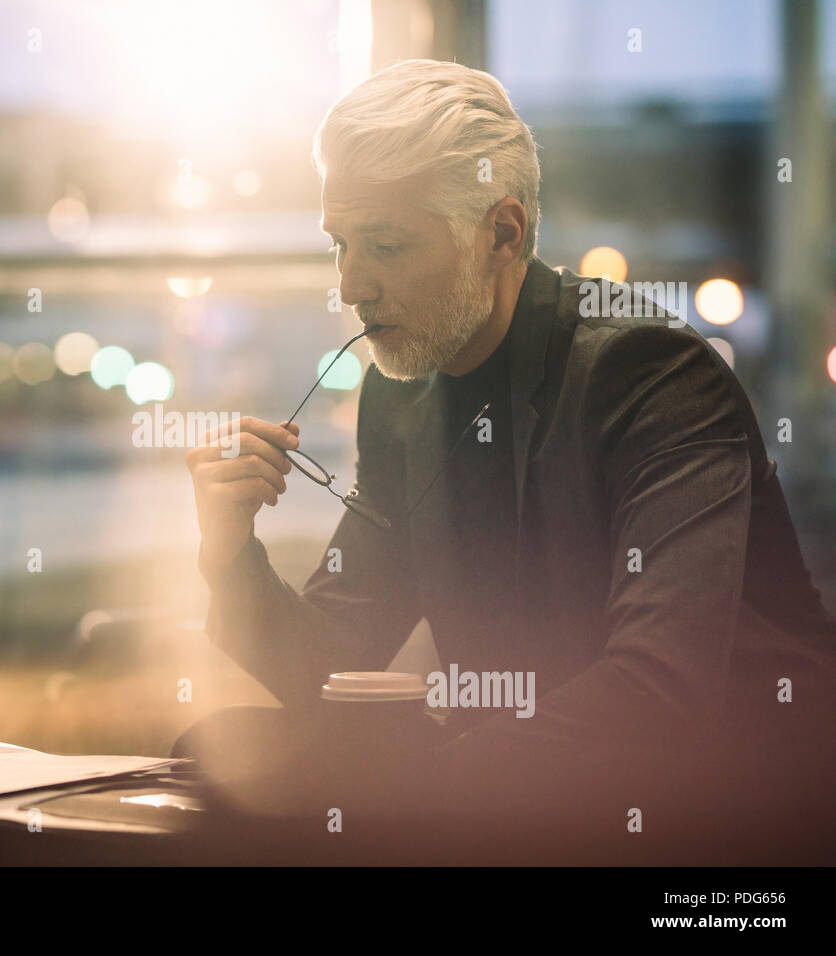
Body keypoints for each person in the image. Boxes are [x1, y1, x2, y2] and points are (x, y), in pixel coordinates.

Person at [181, 60, 836, 861]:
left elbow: (657, 695)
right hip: (527, 796)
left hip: (731, 814)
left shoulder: (653, 374)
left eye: (385, 246)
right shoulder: (405, 390)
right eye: (341, 244)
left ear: (502, 232)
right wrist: (228, 551)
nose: (350, 285)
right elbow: (333, 664)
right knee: (209, 755)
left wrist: (412, 784)